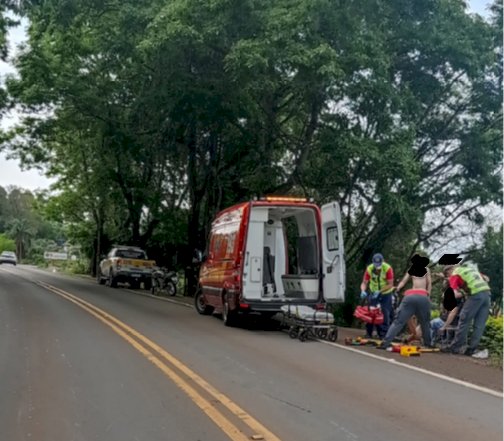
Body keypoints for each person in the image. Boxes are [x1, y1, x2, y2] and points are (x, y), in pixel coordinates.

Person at [377, 254, 432, 349]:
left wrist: (397, 288)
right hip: (423, 296)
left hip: (410, 297)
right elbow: (429, 283)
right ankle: (428, 344)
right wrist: (428, 296)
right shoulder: (426, 269)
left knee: (398, 321)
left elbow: (403, 281)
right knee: (425, 323)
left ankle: (386, 342)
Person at [440, 259, 491, 356]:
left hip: (475, 295)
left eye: (447, 274)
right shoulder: (470, 269)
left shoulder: (454, 274)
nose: (448, 276)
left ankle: (455, 347)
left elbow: (454, 294)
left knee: (464, 319)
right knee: (479, 325)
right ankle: (471, 349)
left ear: (449, 271)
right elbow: (487, 279)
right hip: (487, 295)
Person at [359, 253, 395, 338]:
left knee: (384, 313)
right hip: (373, 293)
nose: (377, 267)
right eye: (375, 264)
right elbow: (364, 282)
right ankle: (369, 333)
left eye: (379, 265)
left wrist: (380, 291)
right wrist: (363, 290)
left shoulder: (387, 268)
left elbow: (390, 284)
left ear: (382, 262)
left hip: (386, 293)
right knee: (371, 312)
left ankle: (383, 334)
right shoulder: (370, 269)